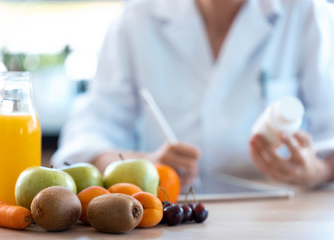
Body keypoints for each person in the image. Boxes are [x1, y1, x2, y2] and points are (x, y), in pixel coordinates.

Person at [52, 0, 334, 188]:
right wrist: (144, 164)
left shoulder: (305, 11)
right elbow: (85, 143)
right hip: (172, 216)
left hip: (283, 217)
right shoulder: (137, 17)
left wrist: (317, 171)